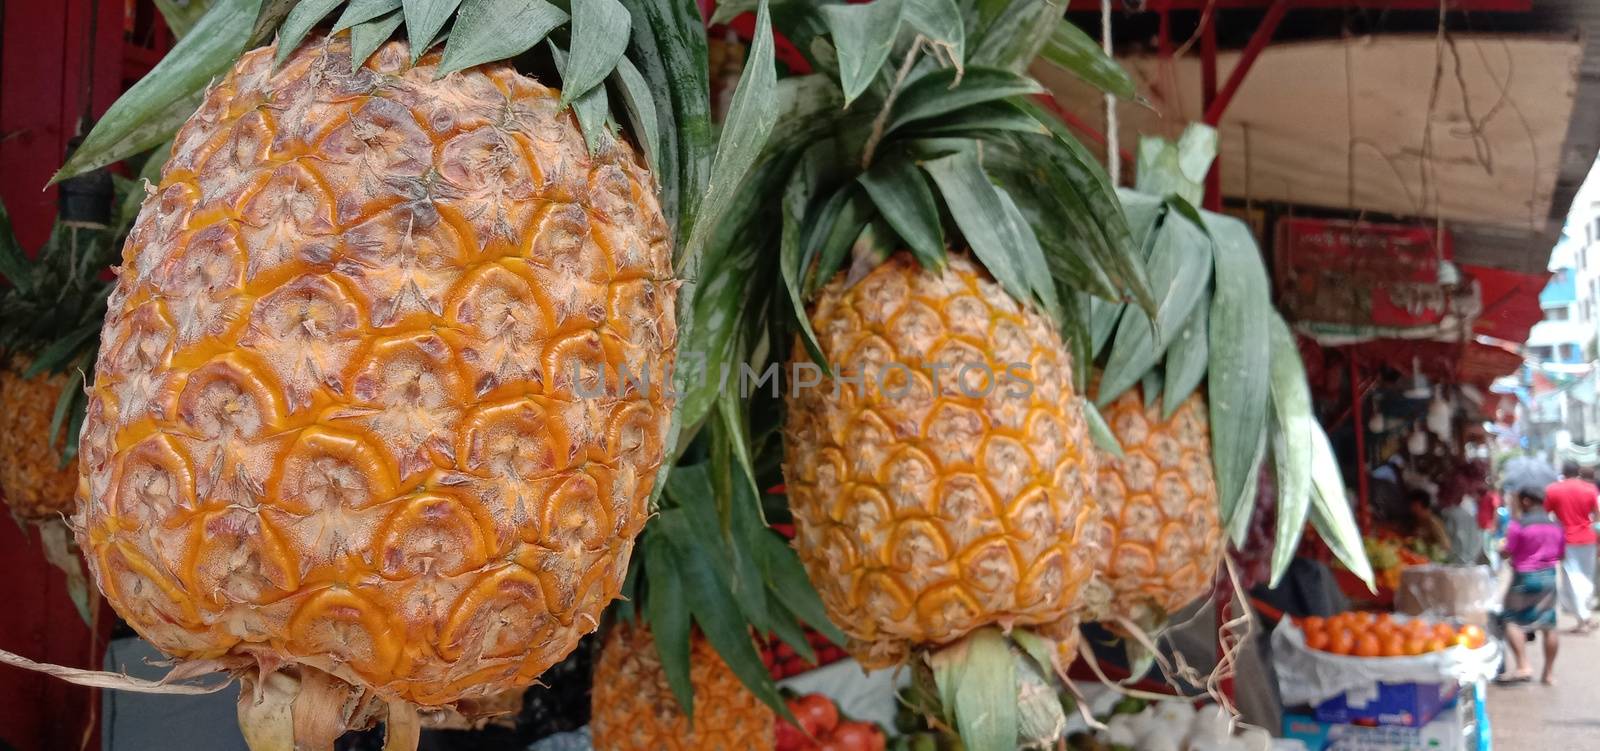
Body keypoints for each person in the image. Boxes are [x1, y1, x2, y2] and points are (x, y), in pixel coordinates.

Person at [1497, 483, 1564, 684]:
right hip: (1549, 578)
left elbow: (1507, 551)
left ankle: (1523, 665)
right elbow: (1561, 554)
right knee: (1549, 624)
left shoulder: (1519, 525)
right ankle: (1549, 673)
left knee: (1511, 619)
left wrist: (1503, 552)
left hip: (1525, 577)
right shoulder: (1555, 526)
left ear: (1526, 501)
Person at [1545, 461, 1598, 633]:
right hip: (1589, 538)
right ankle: (1584, 616)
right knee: (1586, 577)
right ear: (1579, 472)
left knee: (1573, 578)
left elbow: (1546, 514)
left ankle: (1583, 617)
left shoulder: (1553, 490)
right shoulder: (1590, 489)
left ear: (1563, 472)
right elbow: (1598, 515)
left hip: (1567, 539)